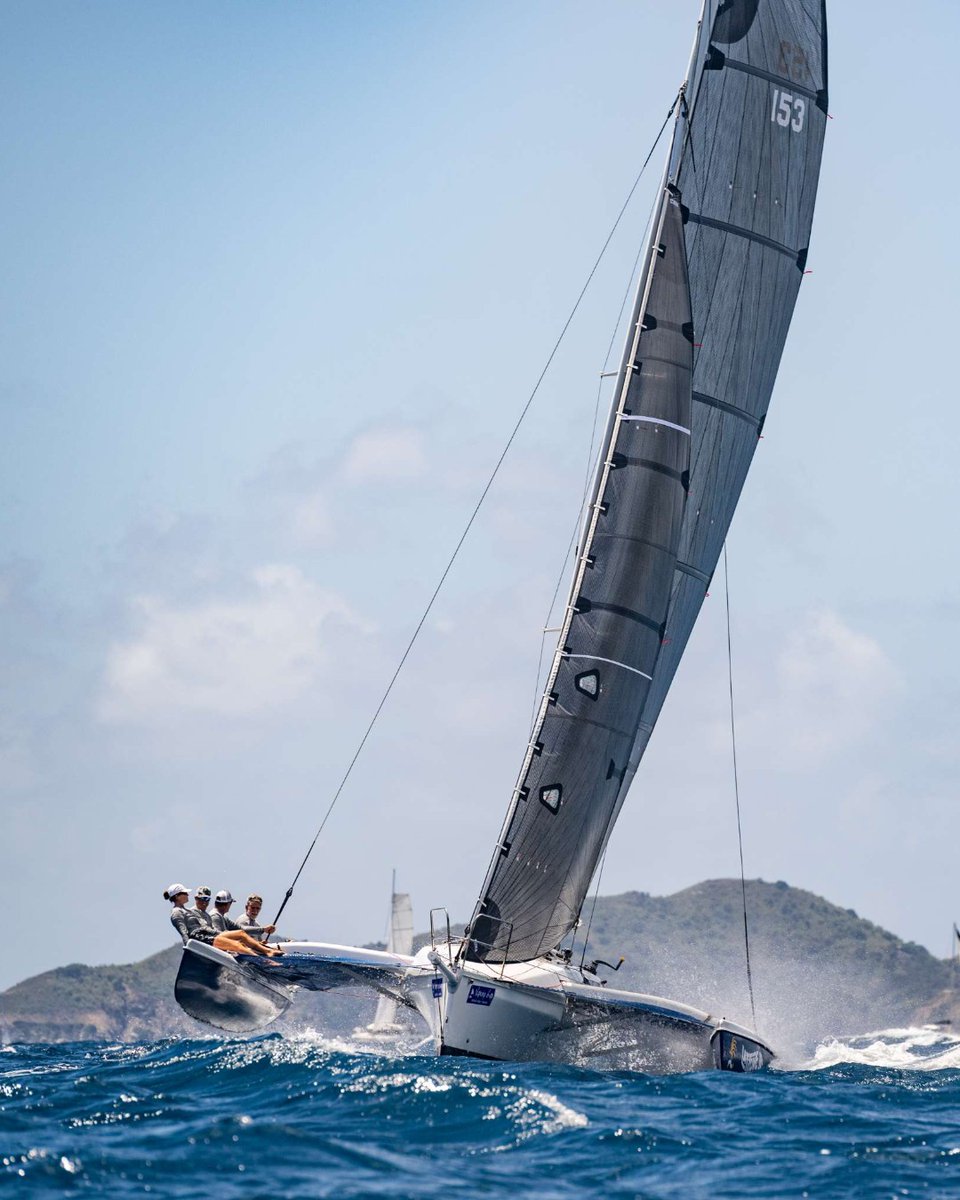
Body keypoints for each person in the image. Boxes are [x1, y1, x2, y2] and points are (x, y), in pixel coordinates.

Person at [163, 885, 283, 958]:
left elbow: (239, 929)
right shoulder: (177, 912)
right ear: (178, 896)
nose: (187, 894)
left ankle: (268, 952)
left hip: (208, 934)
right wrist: (190, 950)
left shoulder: (187, 910)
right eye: (185, 893)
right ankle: (262, 959)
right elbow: (184, 932)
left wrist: (263, 930)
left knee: (241, 935)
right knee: (237, 945)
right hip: (201, 938)